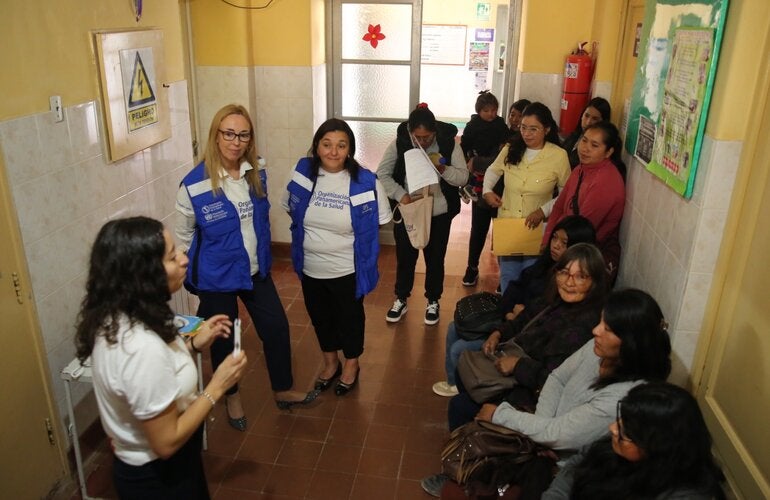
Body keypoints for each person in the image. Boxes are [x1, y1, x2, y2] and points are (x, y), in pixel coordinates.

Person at [422, 288, 673, 497]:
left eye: (608, 328)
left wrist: (503, 415)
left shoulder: (624, 397)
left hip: (557, 461)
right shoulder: (599, 349)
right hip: (546, 428)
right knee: (466, 404)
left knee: (476, 424)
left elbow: (561, 435)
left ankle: (461, 477)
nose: (596, 330)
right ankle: (459, 471)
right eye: (601, 322)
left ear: (631, 341)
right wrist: (542, 431)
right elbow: (557, 378)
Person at [74, 217, 249, 499]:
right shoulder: (139, 348)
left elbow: (157, 377)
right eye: (172, 257)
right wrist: (218, 385)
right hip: (161, 478)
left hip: (164, 467)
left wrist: (194, 346)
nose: (184, 259)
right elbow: (166, 442)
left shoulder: (119, 316)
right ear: (143, 274)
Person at [175, 104, 316, 432]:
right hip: (217, 277)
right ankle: (231, 395)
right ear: (215, 135)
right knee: (227, 339)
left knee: (277, 328)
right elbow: (183, 239)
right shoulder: (195, 185)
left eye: (243, 135)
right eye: (228, 134)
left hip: (254, 269)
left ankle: (283, 389)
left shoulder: (257, 170)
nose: (235, 142)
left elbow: (259, 221)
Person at [443, 243, 608, 428]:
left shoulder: (582, 327)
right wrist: (498, 333)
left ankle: (477, 446)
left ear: (595, 282)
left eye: (581, 277)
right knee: (463, 370)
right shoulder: (556, 301)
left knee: (459, 406)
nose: (569, 282)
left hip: (531, 396)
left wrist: (517, 365)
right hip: (516, 367)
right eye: (565, 273)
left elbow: (554, 380)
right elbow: (525, 318)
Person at [283, 118, 392, 396]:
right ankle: (330, 363)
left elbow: (380, 220)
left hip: (347, 269)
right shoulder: (303, 173)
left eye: (341, 146)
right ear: (317, 146)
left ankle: (351, 364)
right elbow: (290, 207)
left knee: (350, 319)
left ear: (350, 149)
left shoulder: (366, 181)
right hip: (310, 266)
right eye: (327, 144)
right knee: (321, 317)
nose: (333, 152)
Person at [432, 217, 597, 398]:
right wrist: (507, 319)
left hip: (520, 341)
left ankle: (466, 388)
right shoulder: (545, 265)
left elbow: (547, 363)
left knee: (459, 349)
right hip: (509, 321)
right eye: (554, 238)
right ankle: (454, 383)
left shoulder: (575, 311)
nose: (556, 245)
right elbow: (515, 289)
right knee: (453, 327)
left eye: (564, 243)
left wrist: (518, 319)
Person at [543, 382, 726, 499]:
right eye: (621, 420)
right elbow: (577, 463)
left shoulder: (684, 494)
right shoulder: (620, 447)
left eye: (627, 432)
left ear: (658, 446)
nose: (613, 428)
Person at [378, 103, 469, 325]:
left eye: (427, 136)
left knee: (435, 259)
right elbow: (383, 173)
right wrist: (401, 195)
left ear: (435, 132)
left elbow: (463, 177)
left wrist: (443, 170)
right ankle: (401, 298)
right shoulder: (400, 144)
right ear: (410, 132)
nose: (423, 141)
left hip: (438, 213)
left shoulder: (448, 145)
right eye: (418, 136)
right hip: (409, 211)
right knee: (405, 258)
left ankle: (433, 301)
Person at [482, 102, 571, 291]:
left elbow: (566, 194)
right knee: (508, 279)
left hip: (536, 229)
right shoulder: (511, 147)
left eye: (533, 129)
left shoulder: (558, 156)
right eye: (523, 128)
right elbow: (493, 170)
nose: (527, 134)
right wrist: (487, 191)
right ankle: (508, 317)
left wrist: (543, 210)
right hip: (508, 225)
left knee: (531, 281)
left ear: (546, 129)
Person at [545, 121, 626, 282]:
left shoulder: (606, 182)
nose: (585, 148)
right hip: (564, 244)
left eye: (594, 145)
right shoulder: (580, 169)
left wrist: (556, 244)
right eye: (584, 140)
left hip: (581, 257)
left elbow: (581, 230)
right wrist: (548, 238)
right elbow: (559, 206)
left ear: (608, 152)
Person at [459, 91, 511, 287]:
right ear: (478, 110)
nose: (491, 114)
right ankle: (471, 267)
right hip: (480, 184)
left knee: (502, 231)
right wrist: (470, 160)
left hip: (502, 187)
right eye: (486, 110)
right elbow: (465, 147)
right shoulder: (473, 126)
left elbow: (504, 154)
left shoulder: (500, 125)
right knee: (478, 228)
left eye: (494, 110)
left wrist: (480, 161)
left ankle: (504, 275)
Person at [561, 97, 611, 168]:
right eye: (586, 116)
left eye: (595, 119)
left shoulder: (597, 149)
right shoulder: (575, 135)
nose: (588, 122)